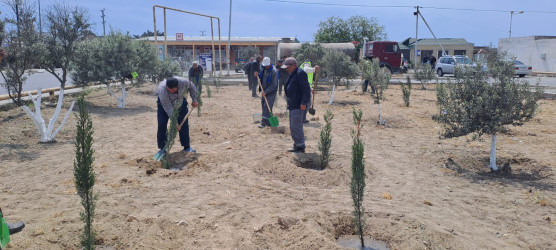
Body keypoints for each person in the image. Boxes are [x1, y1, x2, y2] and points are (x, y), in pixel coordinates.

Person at [156, 77, 199, 156]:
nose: (170, 92)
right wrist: (175, 123)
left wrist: (195, 100)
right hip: (164, 105)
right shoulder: (162, 90)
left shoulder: (184, 82)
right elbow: (169, 109)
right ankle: (162, 149)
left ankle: (187, 147)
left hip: (180, 101)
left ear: (178, 86)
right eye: (169, 90)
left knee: (184, 125)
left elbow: (192, 87)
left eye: (173, 91)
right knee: (162, 124)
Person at [283, 57, 312, 153]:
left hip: (299, 105)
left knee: (296, 126)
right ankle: (296, 145)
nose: (286, 69)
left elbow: (306, 89)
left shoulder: (300, 73)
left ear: (293, 65)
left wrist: (304, 102)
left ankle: (300, 147)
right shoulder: (293, 74)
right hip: (293, 104)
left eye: (288, 67)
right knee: (293, 126)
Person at [257, 57, 278, 128]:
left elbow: (274, 84)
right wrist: (257, 75)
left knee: (267, 106)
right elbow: (261, 76)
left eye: (267, 65)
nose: (266, 66)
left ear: (270, 63)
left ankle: (263, 122)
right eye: (265, 65)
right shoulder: (264, 69)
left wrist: (266, 92)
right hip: (264, 90)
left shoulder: (274, 71)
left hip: (271, 92)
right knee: (264, 105)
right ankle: (268, 121)